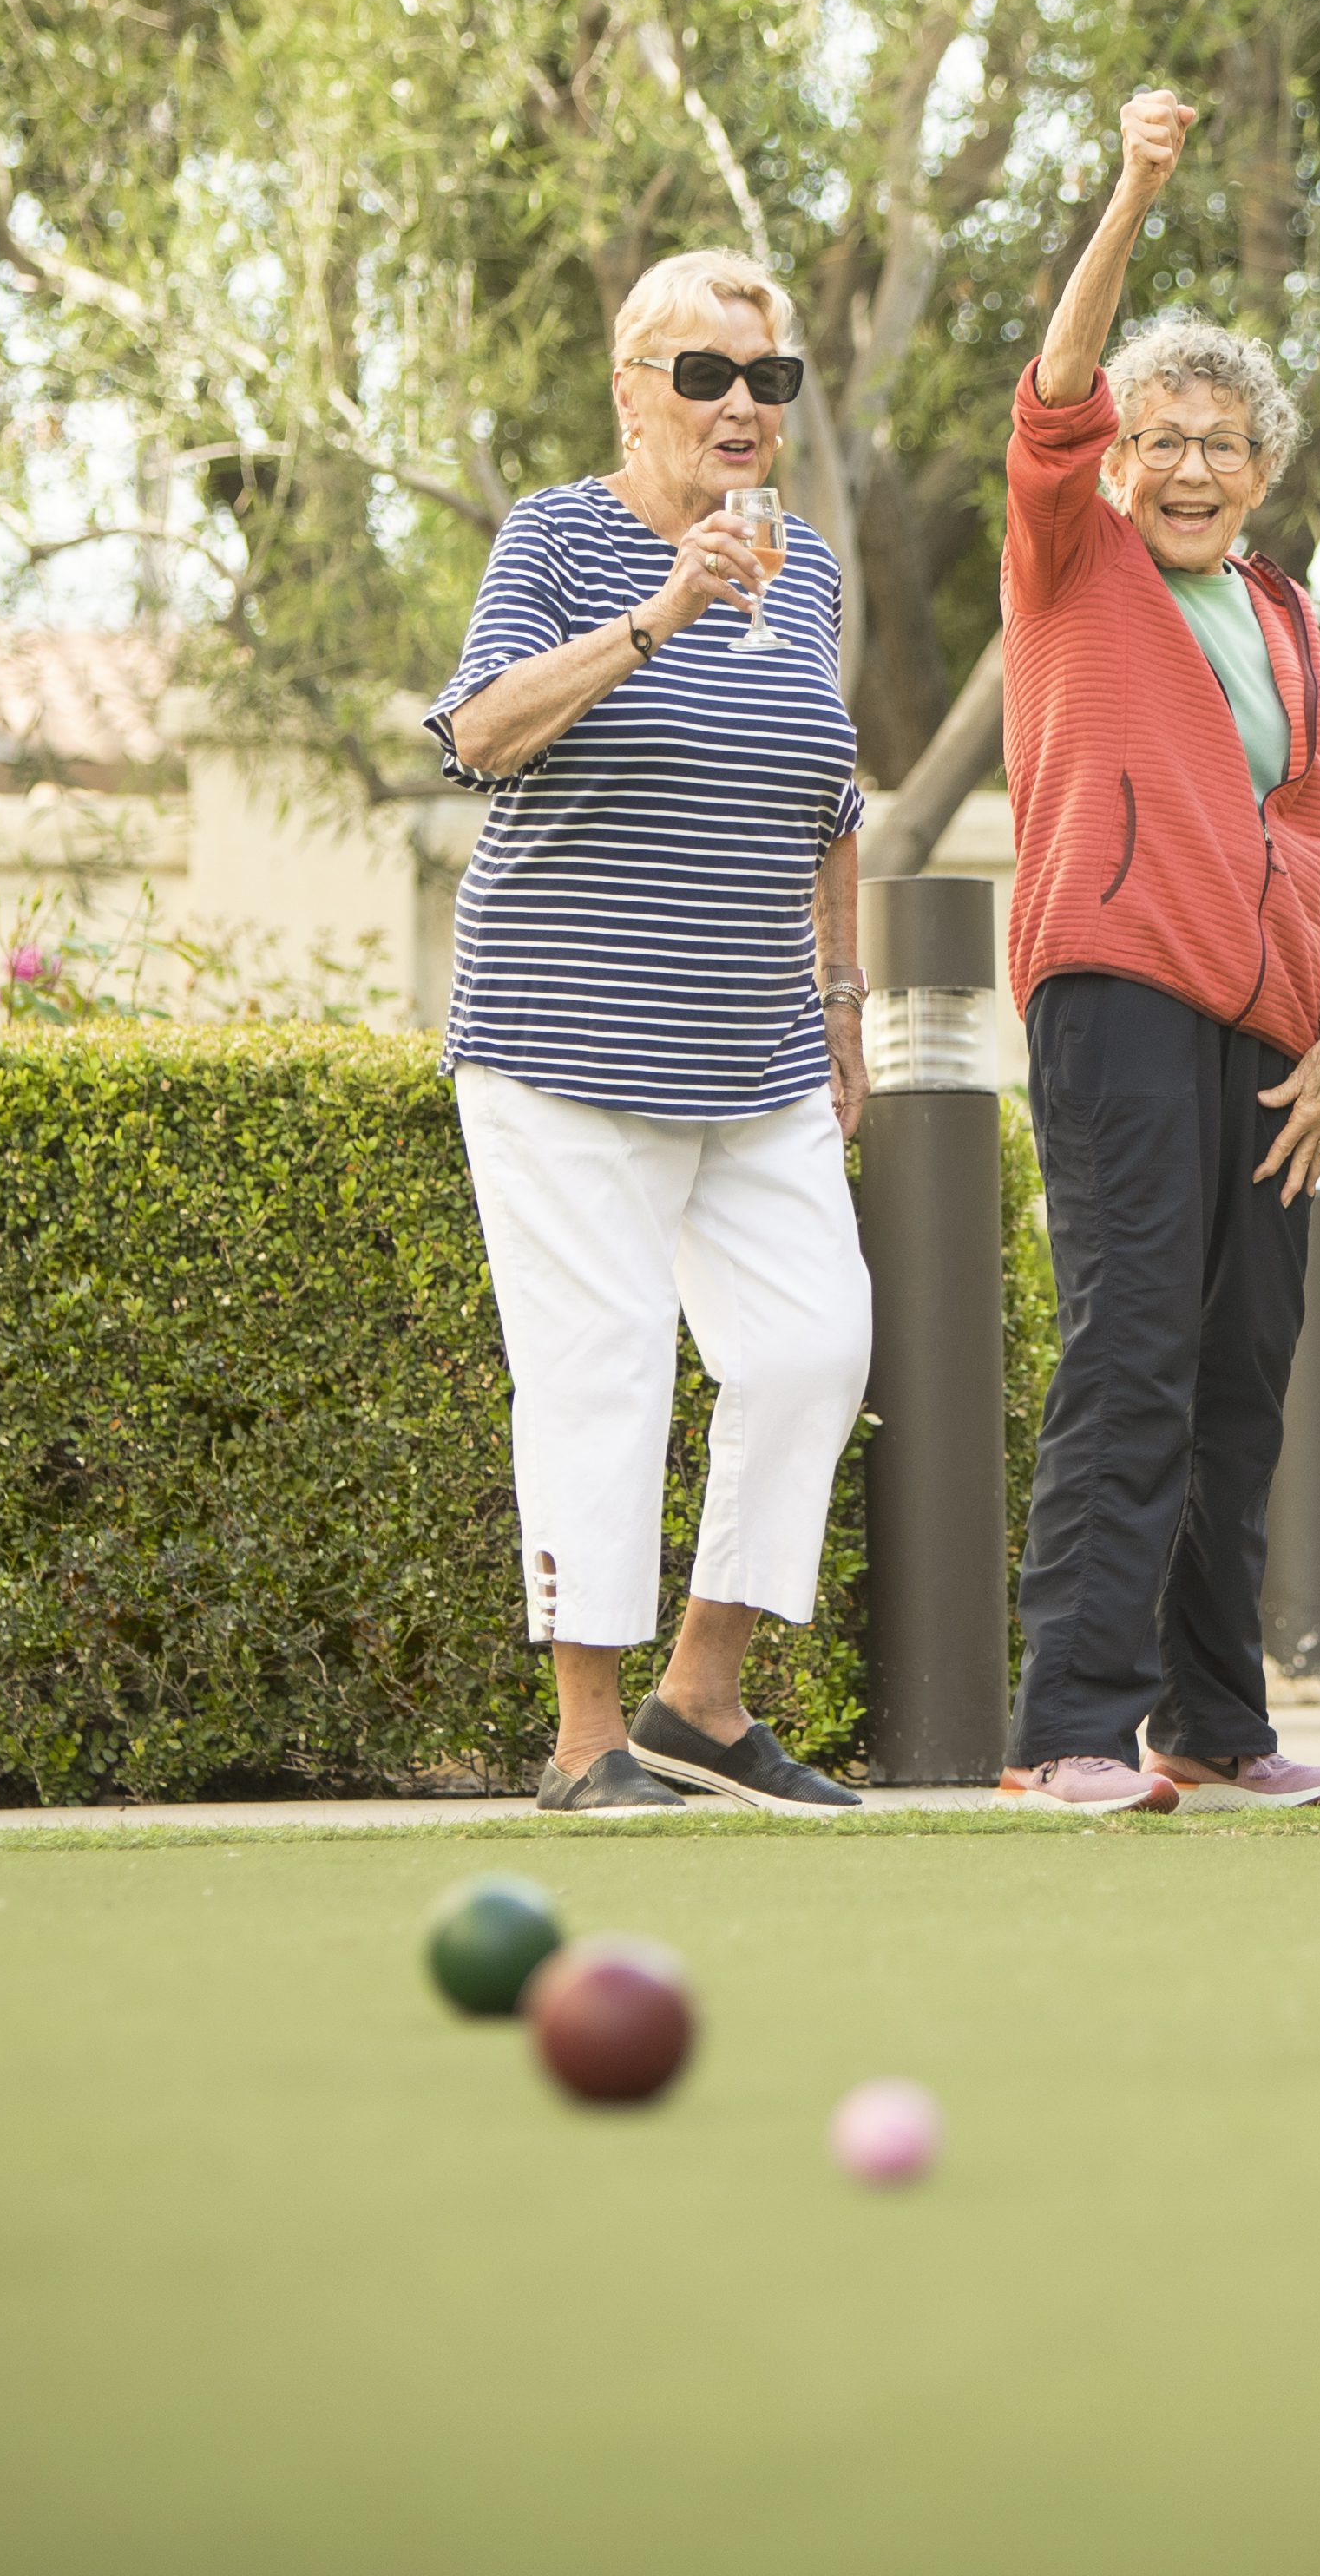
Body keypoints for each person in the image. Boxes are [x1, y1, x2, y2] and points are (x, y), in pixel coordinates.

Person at [426, 248, 875, 1817]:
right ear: (635, 392)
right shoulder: (555, 538)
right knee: (600, 1371)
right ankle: (582, 1743)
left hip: (756, 1051)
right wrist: (660, 608)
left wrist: (844, 1007)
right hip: (563, 1039)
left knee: (815, 1346)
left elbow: (833, 801)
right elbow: (477, 734)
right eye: (705, 375)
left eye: (769, 379)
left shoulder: (809, 568)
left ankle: (700, 1696)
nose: (742, 405)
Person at [994, 88, 1320, 1817]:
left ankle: (1216, 1725)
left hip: (1277, 1036)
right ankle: (1071, 1723)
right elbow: (1056, 386)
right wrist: (1137, 185)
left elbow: (1317, 832)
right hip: (1120, 994)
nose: (1195, 467)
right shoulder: (1074, 557)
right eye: (1166, 438)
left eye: (1226, 441)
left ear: (1264, 469)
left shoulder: (1286, 612)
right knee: (1132, 1342)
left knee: (1238, 1382)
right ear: (1120, 463)